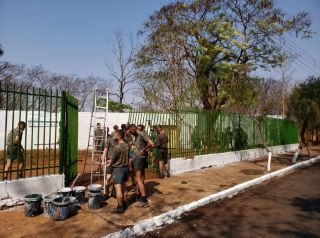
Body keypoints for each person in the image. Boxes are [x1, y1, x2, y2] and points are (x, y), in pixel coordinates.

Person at [129, 124, 154, 207]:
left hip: (139, 159)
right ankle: (138, 195)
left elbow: (151, 143)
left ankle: (144, 199)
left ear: (133, 129)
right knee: (141, 178)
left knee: (138, 178)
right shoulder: (137, 136)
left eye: (130, 132)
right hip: (139, 159)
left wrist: (143, 150)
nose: (130, 133)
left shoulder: (142, 134)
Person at [106, 129, 129, 214]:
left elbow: (111, 160)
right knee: (124, 188)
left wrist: (107, 162)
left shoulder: (117, 147)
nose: (114, 136)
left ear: (119, 136)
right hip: (125, 168)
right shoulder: (127, 145)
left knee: (118, 190)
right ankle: (124, 204)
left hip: (118, 169)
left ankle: (120, 207)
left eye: (115, 135)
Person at [102, 130, 118, 198]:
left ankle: (114, 192)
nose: (116, 136)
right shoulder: (109, 140)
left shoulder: (120, 141)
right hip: (109, 161)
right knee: (108, 177)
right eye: (115, 135)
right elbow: (105, 150)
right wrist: (102, 160)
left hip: (117, 162)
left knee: (115, 178)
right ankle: (106, 193)